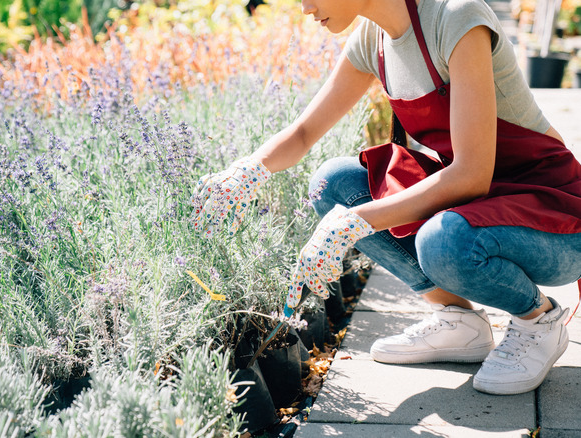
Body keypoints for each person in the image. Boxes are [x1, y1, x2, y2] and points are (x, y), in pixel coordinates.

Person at [191, 0, 581, 395]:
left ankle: (539, 320)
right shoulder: (372, 39)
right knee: (335, 183)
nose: (306, 7)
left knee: (442, 241)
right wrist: (248, 170)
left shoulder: (456, 17)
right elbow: (306, 133)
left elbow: (471, 175)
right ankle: (458, 320)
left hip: (554, 214)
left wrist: (357, 221)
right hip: (481, 208)